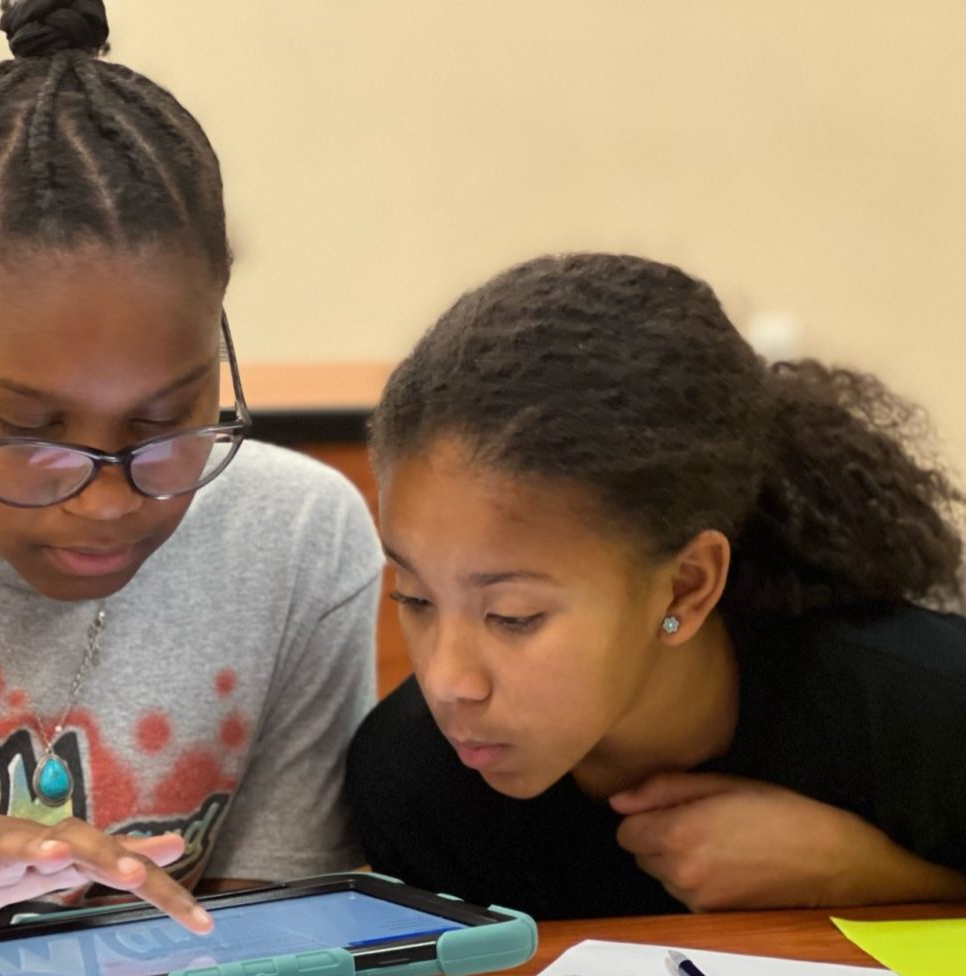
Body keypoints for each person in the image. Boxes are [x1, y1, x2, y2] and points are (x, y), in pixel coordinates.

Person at [0, 0, 381, 964]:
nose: (107, 499)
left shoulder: (296, 538)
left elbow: (263, 943)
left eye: (165, 419)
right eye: (26, 431)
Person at [347, 252, 966, 920]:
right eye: (413, 597)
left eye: (512, 615)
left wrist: (864, 875)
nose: (447, 680)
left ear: (684, 589)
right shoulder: (411, 783)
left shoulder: (925, 707)